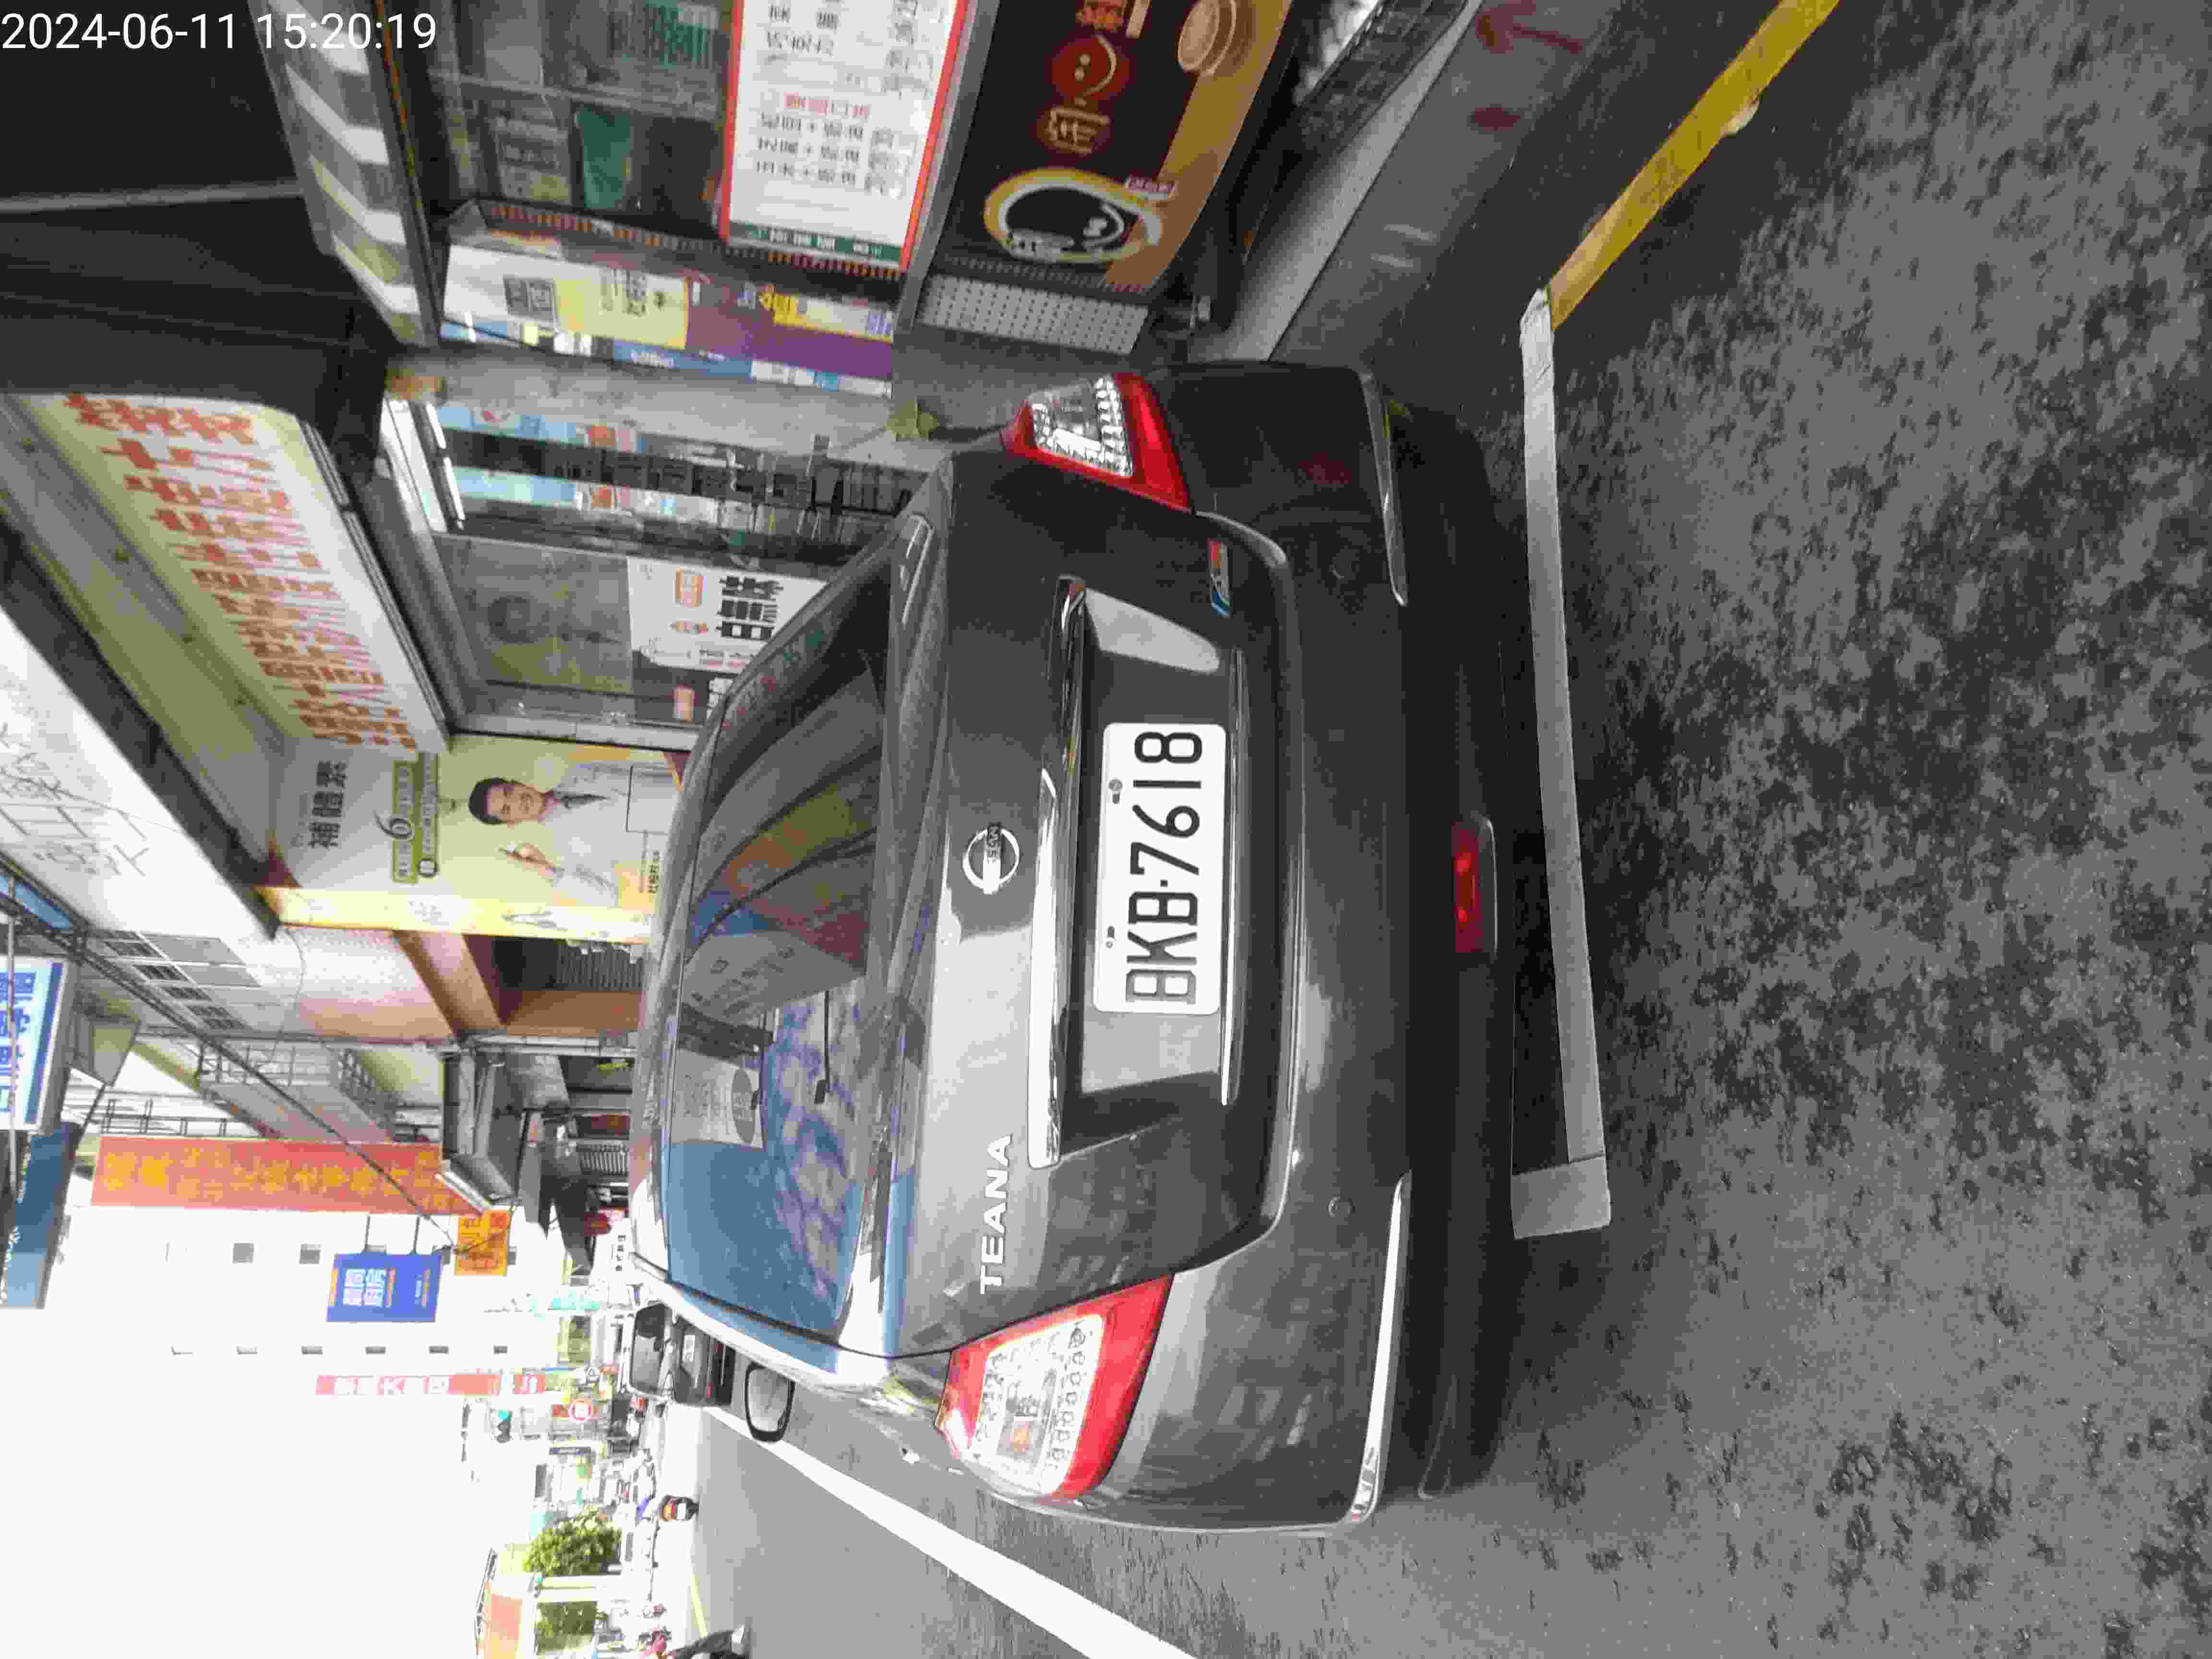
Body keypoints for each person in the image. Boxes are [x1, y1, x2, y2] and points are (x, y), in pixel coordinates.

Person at [469, 759, 679, 904]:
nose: (518, 801)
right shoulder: (567, 851)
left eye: (509, 792)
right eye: (507, 810)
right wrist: (546, 870)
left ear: (517, 784)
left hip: (686, 787)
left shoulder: (581, 771)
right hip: (683, 836)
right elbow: (609, 897)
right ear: (511, 823)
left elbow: (649, 768)